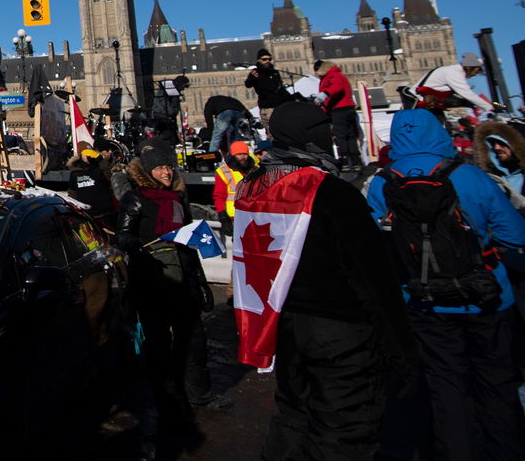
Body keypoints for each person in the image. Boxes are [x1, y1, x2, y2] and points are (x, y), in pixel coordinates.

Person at [234, 102, 415, 460]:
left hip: (281, 324)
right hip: (339, 330)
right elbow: (371, 276)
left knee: (292, 416)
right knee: (343, 429)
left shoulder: (251, 187)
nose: (331, 136)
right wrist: (402, 347)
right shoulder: (329, 190)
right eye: (322, 129)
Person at [367, 109, 525, 460]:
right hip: (488, 299)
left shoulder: (380, 183)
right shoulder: (470, 176)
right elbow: (515, 238)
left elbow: (374, 247)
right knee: (498, 386)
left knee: (445, 388)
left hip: (425, 303)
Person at [117, 140, 225, 445]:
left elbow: (190, 241)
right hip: (152, 278)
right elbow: (123, 235)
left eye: (168, 166)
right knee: (158, 343)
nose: (165, 172)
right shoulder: (135, 198)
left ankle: (199, 393)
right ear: (148, 171)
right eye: (160, 167)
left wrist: (201, 284)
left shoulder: (178, 197)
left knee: (194, 340)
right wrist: (133, 246)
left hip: (183, 276)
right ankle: (167, 403)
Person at [408, 52, 498, 116]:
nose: (475, 75)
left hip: (428, 102)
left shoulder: (452, 70)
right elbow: (468, 95)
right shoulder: (454, 74)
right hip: (421, 103)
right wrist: (490, 108)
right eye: (476, 71)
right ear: (470, 68)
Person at [313, 59, 363, 171]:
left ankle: (345, 160)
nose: (315, 73)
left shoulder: (333, 75)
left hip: (340, 110)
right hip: (346, 108)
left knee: (341, 135)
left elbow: (337, 87)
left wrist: (325, 94)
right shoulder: (336, 74)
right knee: (350, 135)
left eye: (316, 70)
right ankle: (355, 160)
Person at [212, 140, 255, 237]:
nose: (243, 157)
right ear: (233, 155)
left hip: (253, 216)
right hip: (234, 217)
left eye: (245, 154)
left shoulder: (255, 170)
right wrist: (223, 217)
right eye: (239, 154)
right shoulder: (224, 172)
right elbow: (219, 197)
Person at [68, 147, 117, 226]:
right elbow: (72, 193)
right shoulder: (75, 173)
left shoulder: (100, 171)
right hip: (85, 215)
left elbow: (110, 174)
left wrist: (100, 159)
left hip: (103, 214)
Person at [244, 48, 294, 124]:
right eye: (264, 59)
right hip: (267, 107)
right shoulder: (256, 72)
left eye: (269, 59)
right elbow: (248, 84)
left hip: (280, 106)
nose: (267, 61)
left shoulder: (274, 72)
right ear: (259, 60)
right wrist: (251, 77)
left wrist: (292, 99)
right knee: (271, 131)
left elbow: (280, 89)